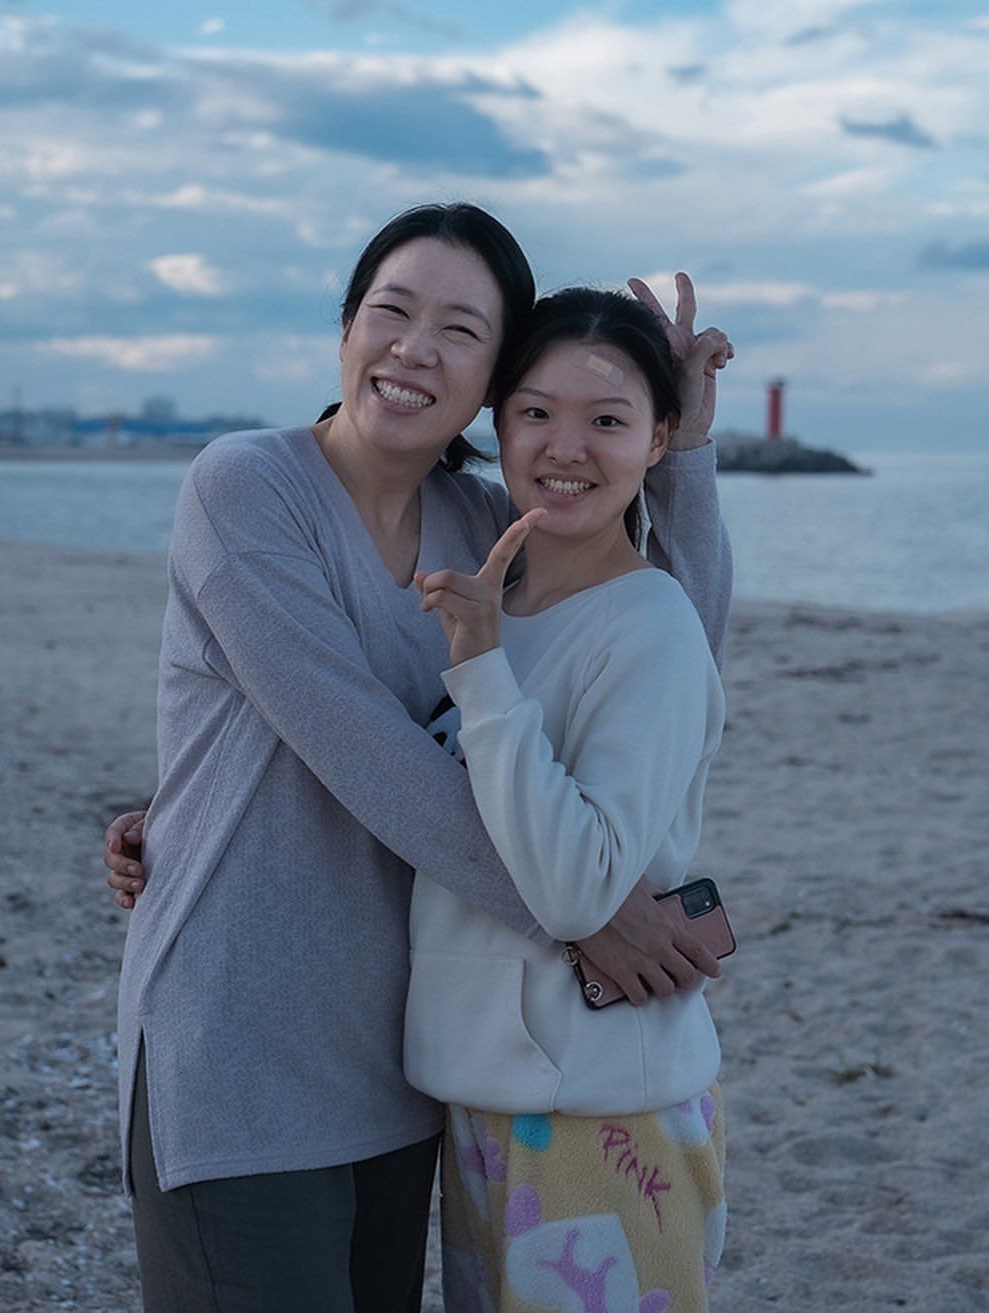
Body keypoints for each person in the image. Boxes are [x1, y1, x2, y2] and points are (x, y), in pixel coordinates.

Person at [102, 202, 734, 1313]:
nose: (414, 349)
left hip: (406, 1055)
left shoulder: (484, 522)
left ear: (490, 376)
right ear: (347, 327)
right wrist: (579, 912)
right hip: (240, 1035)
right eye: (391, 312)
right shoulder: (246, 486)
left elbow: (671, 625)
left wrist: (680, 448)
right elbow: (362, 748)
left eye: (461, 329)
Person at [408, 287, 727, 1312]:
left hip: (605, 1111)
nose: (566, 446)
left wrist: (481, 672)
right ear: (496, 424)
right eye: (536, 411)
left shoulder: (653, 622)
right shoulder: (493, 608)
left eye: (608, 418)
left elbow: (582, 888)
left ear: (657, 438)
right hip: (481, 1096)